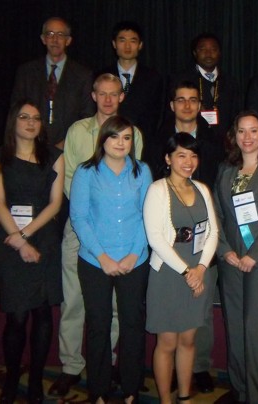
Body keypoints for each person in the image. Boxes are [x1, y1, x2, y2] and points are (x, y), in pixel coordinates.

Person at [49, 73, 144, 397]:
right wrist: (100, 250)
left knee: (120, 312)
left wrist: (131, 251)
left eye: (113, 93)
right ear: (93, 95)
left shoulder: (136, 139)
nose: (107, 99)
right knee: (77, 302)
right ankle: (73, 367)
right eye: (101, 93)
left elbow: (137, 186)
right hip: (85, 228)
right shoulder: (77, 131)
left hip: (127, 236)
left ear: (121, 96)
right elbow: (72, 180)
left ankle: (115, 366)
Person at [70, 115, 152, 403]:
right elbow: (79, 217)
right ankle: (99, 389)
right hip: (95, 261)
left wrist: (132, 254)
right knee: (98, 325)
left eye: (127, 138)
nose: (121, 143)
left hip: (135, 260)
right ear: (103, 139)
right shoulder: (85, 172)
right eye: (115, 136)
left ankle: (130, 388)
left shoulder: (142, 171)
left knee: (132, 323)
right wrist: (102, 257)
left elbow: (148, 216)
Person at [0, 100, 64, 403]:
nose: (31, 123)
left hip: (44, 239)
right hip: (10, 241)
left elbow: (55, 203)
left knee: (43, 313)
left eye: (36, 118)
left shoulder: (54, 157)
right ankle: (11, 378)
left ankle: (35, 379)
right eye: (24, 117)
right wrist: (19, 241)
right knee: (17, 316)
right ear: (13, 122)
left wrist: (28, 236)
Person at [213, 111, 258, 403]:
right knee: (235, 325)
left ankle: (257, 396)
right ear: (234, 136)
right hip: (230, 259)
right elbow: (217, 214)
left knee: (255, 329)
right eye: (242, 131)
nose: (247, 137)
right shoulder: (225, 170)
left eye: (253, 131)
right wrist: (225, 250)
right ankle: (240, 390)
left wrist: (254, 255)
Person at [143, 132, 219, 404]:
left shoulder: (202, 189)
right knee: (167, 343)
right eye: (181, 155)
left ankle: (185, 397)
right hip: (169, 274)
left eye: (193, 155)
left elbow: (212, 233)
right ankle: (165, 399)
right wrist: (188, 271)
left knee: (188, 340)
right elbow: (155, 238)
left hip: (199, 273)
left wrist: (200, 269)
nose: (188, 162)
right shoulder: (157, 190)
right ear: (168, 158)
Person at [10, 17, 94, 149]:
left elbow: (87, 115)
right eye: (50, 34)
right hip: (30, 147)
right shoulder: (26, 72)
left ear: (68, 40)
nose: (55, 40)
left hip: (69, 148)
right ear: (43, 39)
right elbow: (16, 110)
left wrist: (66, 143)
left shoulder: (83, 75)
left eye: (60, 35)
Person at [99, 21, 165, 155]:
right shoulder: (101, 76)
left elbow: (159, 115)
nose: (127, 46)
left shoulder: (154, 78)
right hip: (109, 142)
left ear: (140, 45)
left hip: (145, 146)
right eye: (122, 40)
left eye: (133, 41)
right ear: (114, 44)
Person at [170, 32, 241, 140]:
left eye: (213, 49)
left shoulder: (230, 82)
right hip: (191, 143)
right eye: (202, 49)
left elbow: (237, 115)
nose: (208, 54)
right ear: (194, 53)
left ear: (220, 53)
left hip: (225, 146)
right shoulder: (180, 80)